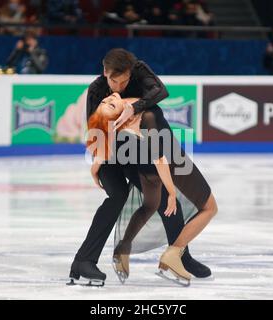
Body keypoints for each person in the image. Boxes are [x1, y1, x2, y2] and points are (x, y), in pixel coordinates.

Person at [68, 48, 211, 286]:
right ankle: (83, 261)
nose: (120, 87)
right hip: (110, 152)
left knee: (164, 194)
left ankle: (180, 256)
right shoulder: (97, 91)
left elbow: (161, 92)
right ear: (105, 72)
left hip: (138, 150)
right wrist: (97, 163)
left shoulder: (138, 71)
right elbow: (96, 132)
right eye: (115, 81)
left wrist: (132, 108)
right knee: (118, 196)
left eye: (124, 81)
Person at [87, 93, 218, 285]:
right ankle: (173, 256)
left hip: (143, 168)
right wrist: (172, 192)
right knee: (198, 208)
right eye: (110, 105)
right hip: (156, 166)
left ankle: (123, 248)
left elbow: (103, 150)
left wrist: (95, 167)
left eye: (107, 100)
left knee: (150, 205)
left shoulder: (118, 127)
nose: (111, 98)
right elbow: (160, 160)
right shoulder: (141, 121)